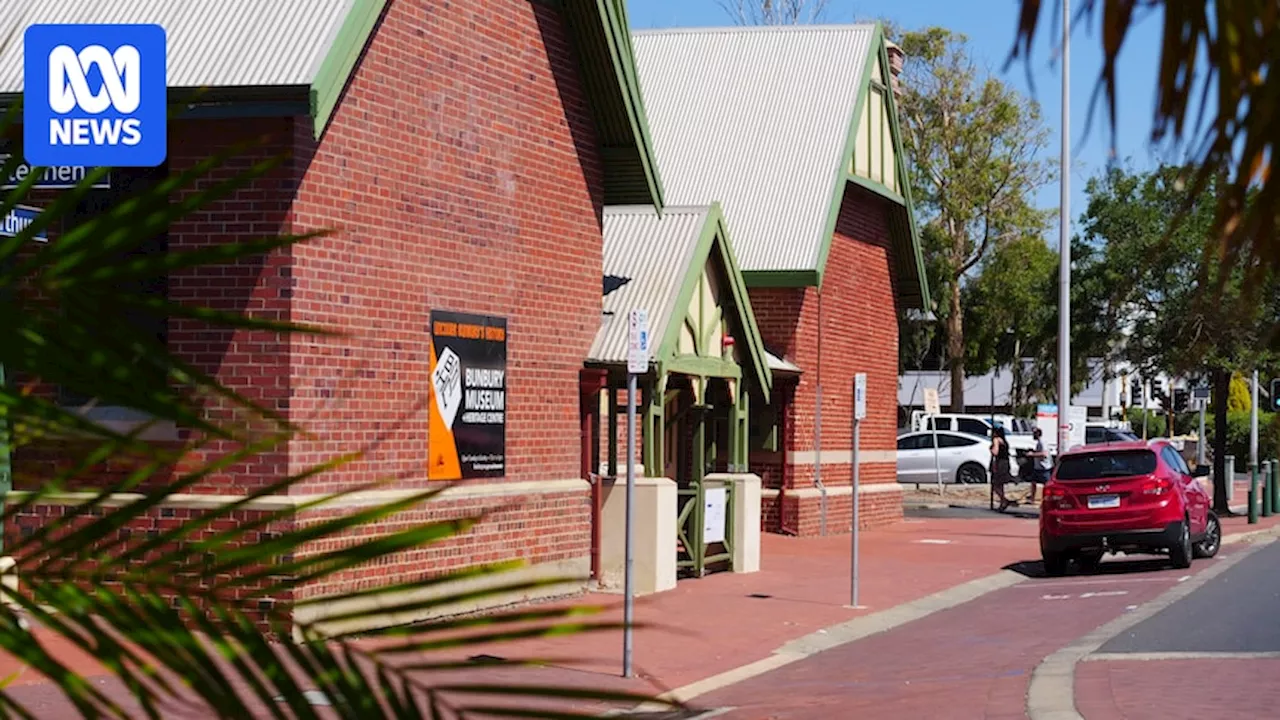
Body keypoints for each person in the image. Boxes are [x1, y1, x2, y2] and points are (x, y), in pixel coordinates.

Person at [990, 425, 1015, 511]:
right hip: (1005, 463)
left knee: (996, 485)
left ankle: (1004, 500)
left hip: (1000, 463)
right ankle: (1002, 503)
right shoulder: (1004, 441)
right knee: (1001, 484)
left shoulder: (996, 440)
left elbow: (995, 452)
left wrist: (991, 449)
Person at [1025, 427, 1051, 504]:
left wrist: (1032, 454)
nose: (1033, 435)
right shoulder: (1039, 443)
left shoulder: (1042, 442)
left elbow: (1044, 454)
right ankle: (1032, 498)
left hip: (1044, 468)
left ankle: (1047, 499)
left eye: (1034, 434)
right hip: (1038, 467)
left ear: (1038, 434)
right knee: (1033, 482)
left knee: (1047, 485)